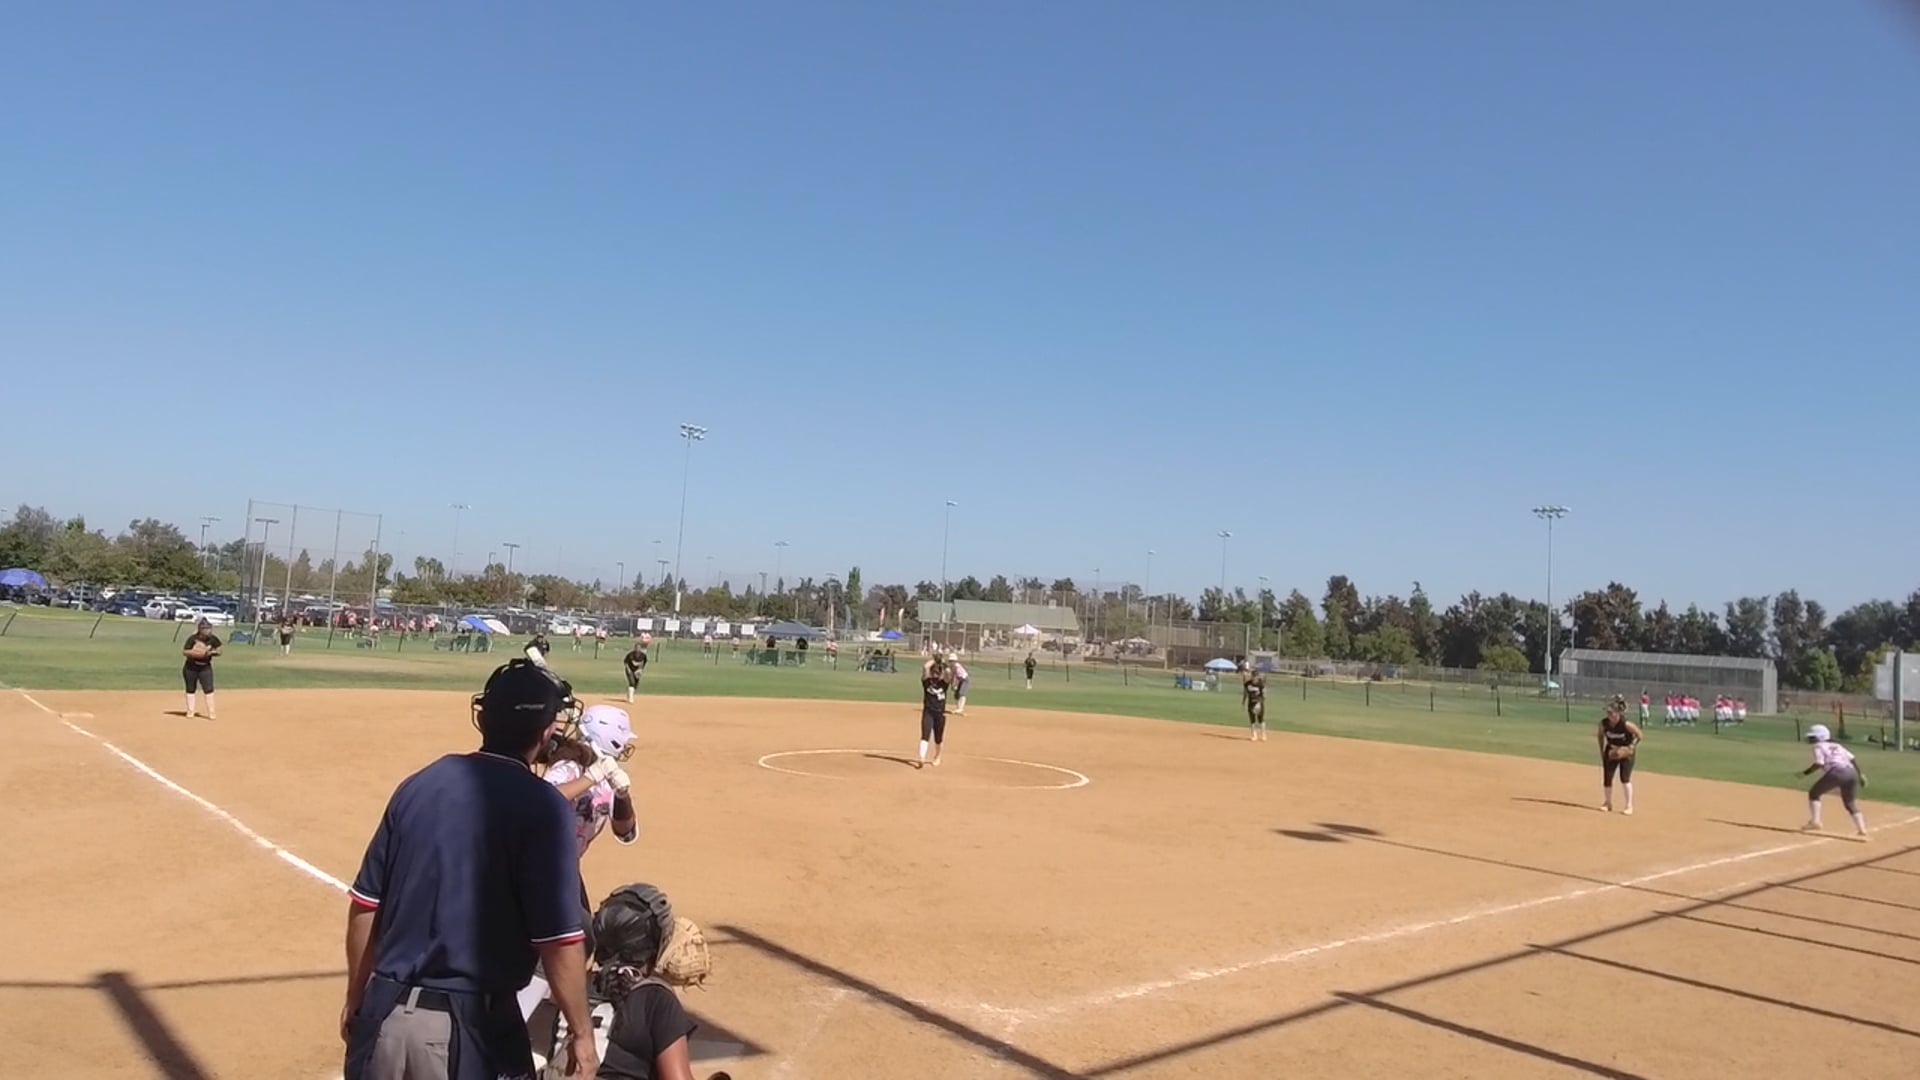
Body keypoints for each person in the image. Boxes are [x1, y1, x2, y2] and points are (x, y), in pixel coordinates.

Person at [342, 659, 599, 1080]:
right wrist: (582, 1033)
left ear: (483, 718)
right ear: (546, 732)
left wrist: (357, 996)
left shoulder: (417, 786)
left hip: (383, 1015)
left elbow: (366, 905)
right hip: (468, 1031)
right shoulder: (543, 806)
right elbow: (559, 939)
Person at [1799, 724, 1868, 837]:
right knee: (1850, 803)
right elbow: (1852, 758)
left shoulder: (1818, 746)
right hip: (1851, 773)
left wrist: (1805, 773)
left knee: (1814, 793)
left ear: (1820, 737)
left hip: (1836, 772)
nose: (1811, 739)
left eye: (1813, 737)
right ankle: (1862, 829)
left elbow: (1819, 763)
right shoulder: (1837, 745)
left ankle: (1815, 821)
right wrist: (1860, 774)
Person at [1597, 704, 1642, 815]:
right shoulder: (1604, 724)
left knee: (1625, 778)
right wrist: (1602, 750)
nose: (1609, 715)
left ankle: (1629, 806)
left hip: (1626, 752)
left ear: (1617, 713)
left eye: (1611, 712)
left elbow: (1639, 735)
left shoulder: (1626, 724)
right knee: (1607, 777)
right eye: (1607, 712)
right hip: (1612, 750)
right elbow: (1600, 736)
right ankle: (1607, 803)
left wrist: (1631, 747)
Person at [181, 618, 222, 720]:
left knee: (208, 689)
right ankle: (190, 711)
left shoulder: (213, 639)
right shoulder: (193, 639)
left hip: (205, 667)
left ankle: (211, 712)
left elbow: (220, 650)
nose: (208, 630)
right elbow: (185, 651)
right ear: (200, 629)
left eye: (208, 628)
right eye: (205, 628)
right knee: (190, 688)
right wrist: (195, 653)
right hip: (191, 667)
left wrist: (211, 652)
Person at [917, 656, 950, 769]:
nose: (935, 674)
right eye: (933, 672)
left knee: (938, 738)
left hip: (940, 714)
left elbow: (948, 673)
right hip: (928, 712)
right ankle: (922, 758)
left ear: (940, 673)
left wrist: (943, 663)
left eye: (937, 672)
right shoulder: (927, 682)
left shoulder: (944, 684)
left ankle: (937, 756)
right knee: (925, 734)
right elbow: (925, 667)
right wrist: (935, 660)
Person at [1243, 667, 1268, 741]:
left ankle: (1263, 735)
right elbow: (1245, 693)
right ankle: (1254, 735)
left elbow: (1264, 695)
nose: (1254, 677)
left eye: (1256, 676)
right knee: (1252, 720)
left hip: (1259, 704)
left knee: (1261, 720)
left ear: (1258, 676)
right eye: (1253, 676)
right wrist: (1243, 702)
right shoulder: (1247, 684)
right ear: (1251, 676)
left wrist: (1259, 703)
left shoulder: (1260, 684)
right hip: (1251, 704)